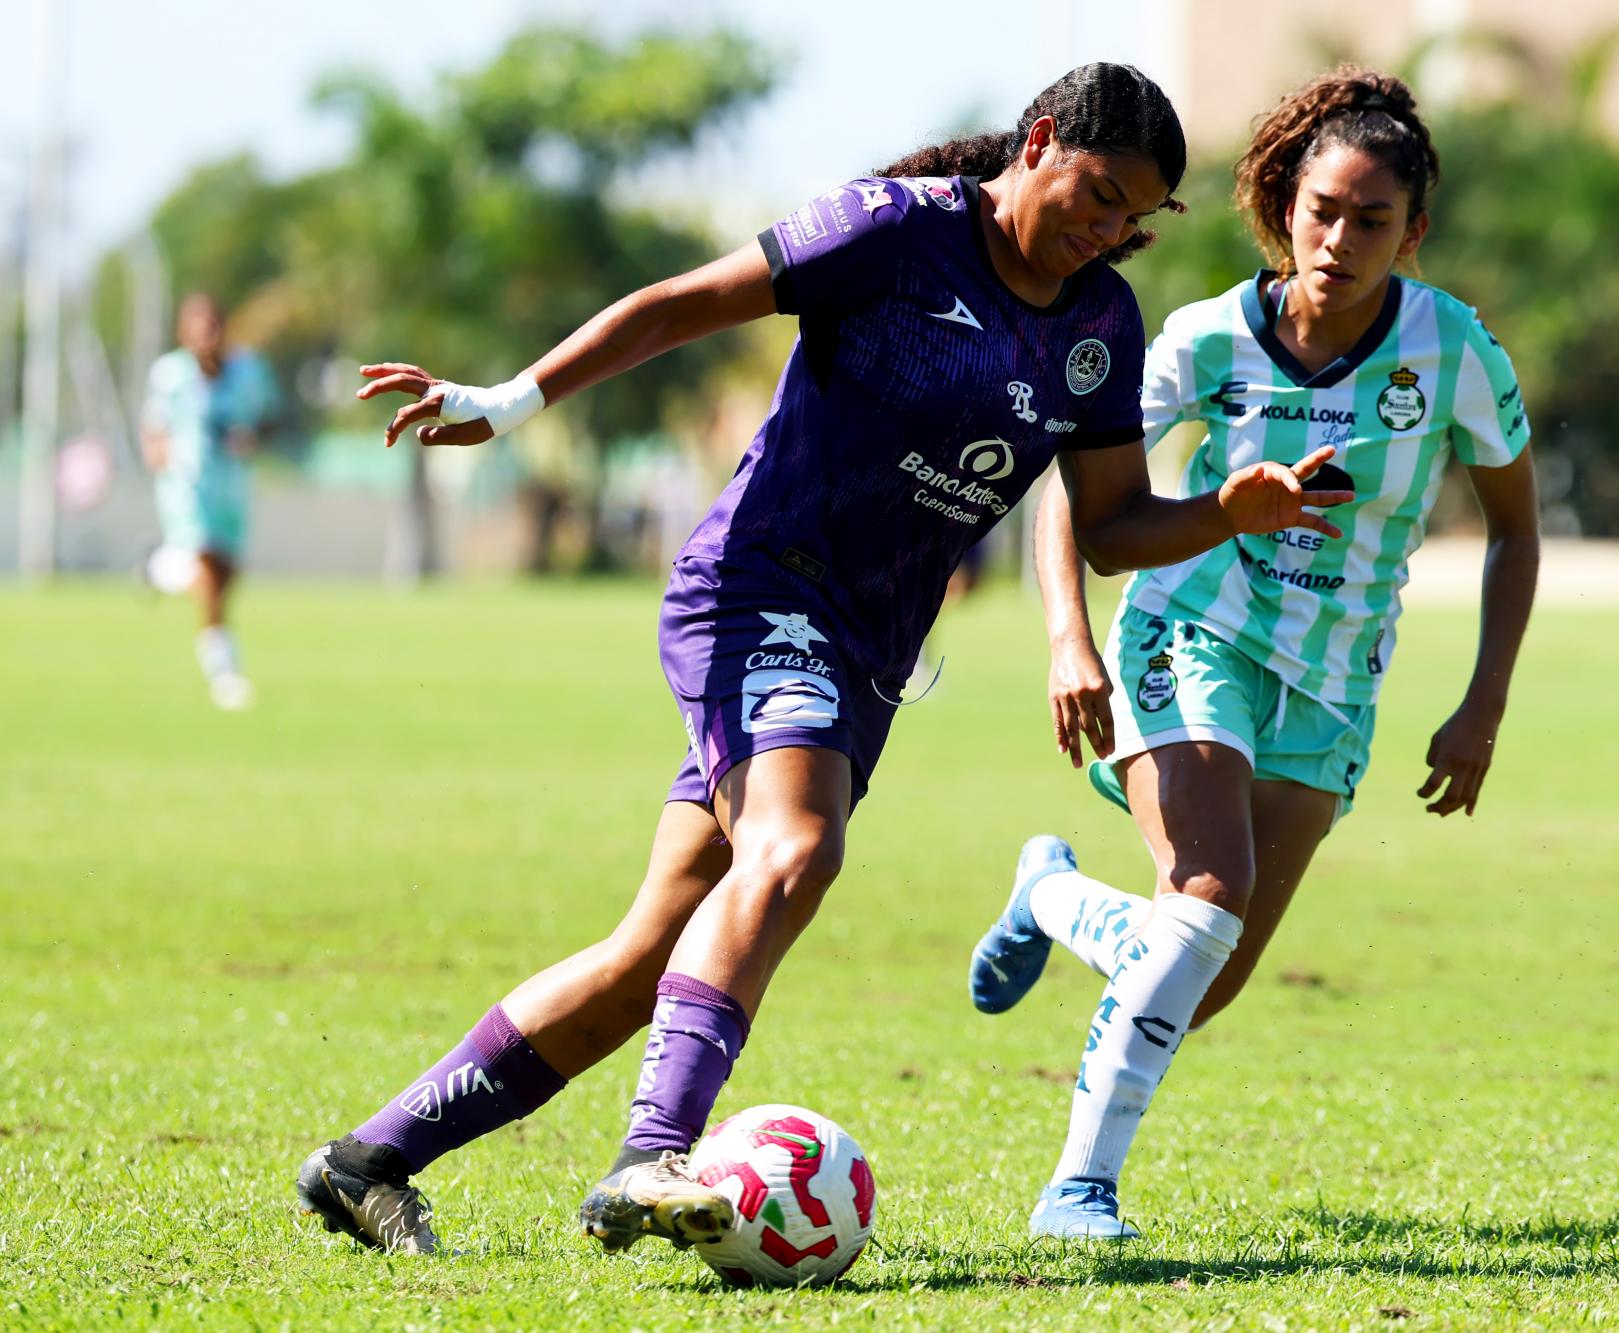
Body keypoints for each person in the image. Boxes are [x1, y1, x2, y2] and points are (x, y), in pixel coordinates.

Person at [294, 63, 1357, 1258]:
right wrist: (514, 397)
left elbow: (1110, 527)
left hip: (865, 653)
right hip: (757, 594)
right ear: (1043, 140)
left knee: (657, 950)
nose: (1107, 232)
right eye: (1098, 194)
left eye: (1133, 218)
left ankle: (367, 1157)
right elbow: (680, 302)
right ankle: (651, 1155)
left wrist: (1226, 506)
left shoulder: (1099, 324)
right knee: (797, 849)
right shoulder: (894, 233)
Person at [967, 67, 1539, 1239]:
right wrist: (1067, 637)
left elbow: (1515, 530)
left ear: (1411, 233)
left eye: (1370, 221)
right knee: (1206, 896)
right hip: (1190, 630)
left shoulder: (1454, 351)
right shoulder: (1204, 340)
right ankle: (1077, 1189)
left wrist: (1481, 704)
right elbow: (1074, 488)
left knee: (1202, 974)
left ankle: (1054, 894)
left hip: (1332, 681)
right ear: (1288, 207)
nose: (1337, 239)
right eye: (1320, 210)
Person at [139, 293, 280, 710]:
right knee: (208, 576)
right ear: (184, 333)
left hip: (231, 489)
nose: (205, 337)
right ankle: (225, 674)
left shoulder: (250, 371)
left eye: (212, 327)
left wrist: (253, 438)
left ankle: (156, 568)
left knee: (225, 574)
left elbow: (273, 418)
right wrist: (159, 453)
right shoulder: (170, 375)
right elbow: (154, 426)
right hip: (187, 489)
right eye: (197, 329)